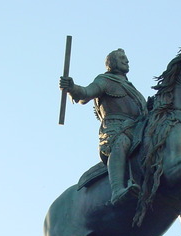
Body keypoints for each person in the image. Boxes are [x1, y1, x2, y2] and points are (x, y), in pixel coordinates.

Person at [59, 48, 147, 205]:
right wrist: (72, 88)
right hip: (116, 129)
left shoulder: (134, 90)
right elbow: (85, 93)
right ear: (111, 62)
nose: (126, 60)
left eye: (126, 58)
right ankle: (117, 190)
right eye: (122, 58)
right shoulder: (104, 81)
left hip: (138, 129)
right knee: (121, 143)